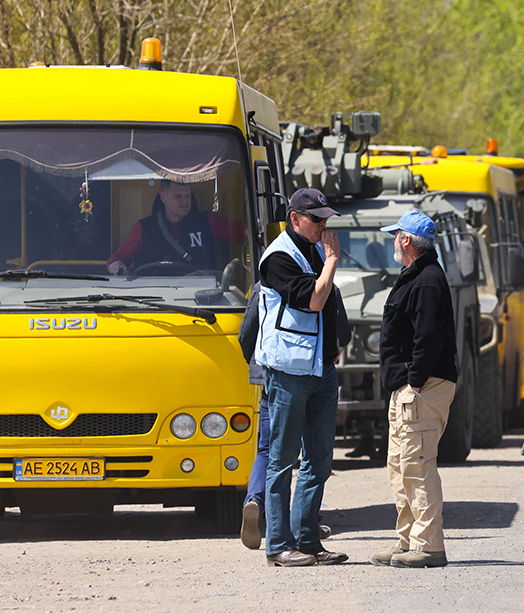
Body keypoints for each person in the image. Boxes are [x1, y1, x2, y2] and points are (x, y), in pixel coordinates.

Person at [255, 188, 347, 567]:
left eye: (326, 219)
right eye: (316, 219)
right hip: (291, 372)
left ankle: (308, 540)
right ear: (295, 218)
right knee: (282, 458)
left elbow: (331, 302)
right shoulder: (279, 257)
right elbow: (313, 299)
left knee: (320, 459)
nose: (323, 226)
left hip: (322, 370)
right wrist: (332, 260)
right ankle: (278, 544)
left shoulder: (312, 250)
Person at [370, 211, 457, 569]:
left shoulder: (427, 281)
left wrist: (414, 382)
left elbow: (428, 339)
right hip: (407, 388)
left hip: (421, 388)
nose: (392, 240)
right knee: (400, 465)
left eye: (395, 235)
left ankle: (429, 544)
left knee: (418, 465)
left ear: (406, 240)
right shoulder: (416, 277)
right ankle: (407, 540)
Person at [236, 281, 348, 550]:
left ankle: (254, 500)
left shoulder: (264, 285)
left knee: (269, 449)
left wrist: (261, 366)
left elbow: (246, 335)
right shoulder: (327, 286)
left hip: (270, 377)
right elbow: (342, 334)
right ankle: (305, 522)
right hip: (313, 375)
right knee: (312, 454)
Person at [107, 179, 246, 275]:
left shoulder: (207, 221)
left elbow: (243, 231)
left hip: (202, 296)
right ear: (163, 198)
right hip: (153, 299)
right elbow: (118, 258)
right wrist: (115, 264)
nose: (185, 201)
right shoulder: (144, 228)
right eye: (178, 196)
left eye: (187, 196)